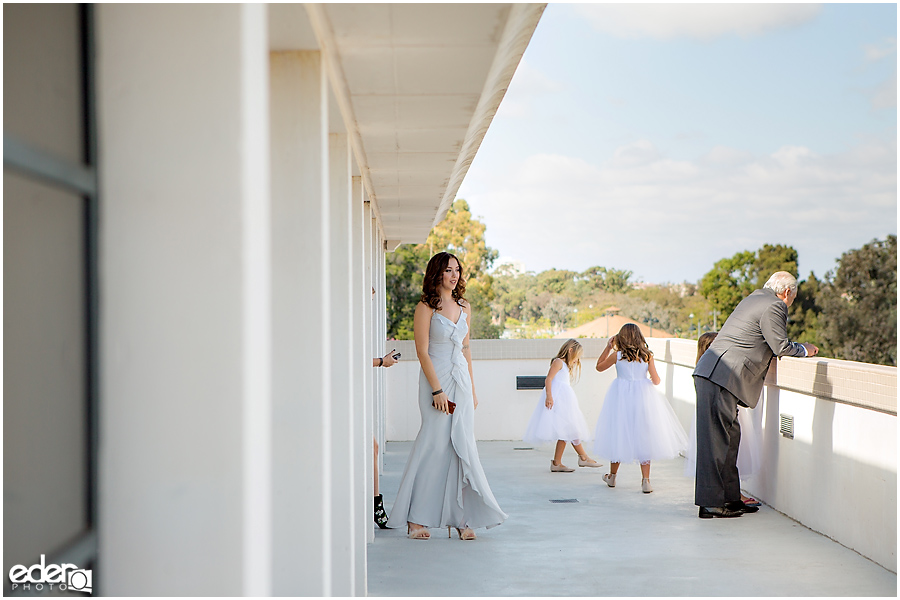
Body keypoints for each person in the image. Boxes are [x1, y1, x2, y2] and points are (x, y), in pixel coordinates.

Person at [386, 252, 507, 540]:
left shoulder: (464, 305)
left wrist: (472, 390)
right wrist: (437, 390)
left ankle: (462, 518)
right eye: (448, 270)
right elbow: (421, 352)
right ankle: (416, 518)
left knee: (462, 447)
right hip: (435, 381)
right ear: (436, 274)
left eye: (457, 270)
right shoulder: (426, 307)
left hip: (461, 381)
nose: (454, 275)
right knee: (434, 445)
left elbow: (466, 350)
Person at [693, 271, 818, 519]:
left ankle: (729, 499)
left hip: (718, 375)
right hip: (720, 376)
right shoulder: (775, 305)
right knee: (716, 443)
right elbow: (780, 345)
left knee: (730, 440)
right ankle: (710, 504)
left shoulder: (755, 297)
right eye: (792, 297)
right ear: (787, 292)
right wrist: (805, 349)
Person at [592, 324, 688, 493]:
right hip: (643, 397)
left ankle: (612, 477)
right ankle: (646, 480)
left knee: (619, 433)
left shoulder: (617, 355)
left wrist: (607, 348)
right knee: (643, 435)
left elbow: (599, 367)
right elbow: (657, 380)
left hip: (620, 397)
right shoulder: (647, 356)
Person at [684, 332, 761, 507]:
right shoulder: (713, 372)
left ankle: (730, 497)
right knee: (720, 453)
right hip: (720, 409)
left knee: (727, 452)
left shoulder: (703, 369)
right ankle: (717, 502)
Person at [523, 339, 602, 472]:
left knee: (565, 431)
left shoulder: (565, 365)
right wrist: (549, 396)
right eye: (577, 356)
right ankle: (583, 457)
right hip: (558, 400)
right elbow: (548, 379)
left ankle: (557, 463)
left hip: (565, 400)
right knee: (569, 429)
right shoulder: (558, 362)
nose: (577, 359)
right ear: (570, 350)